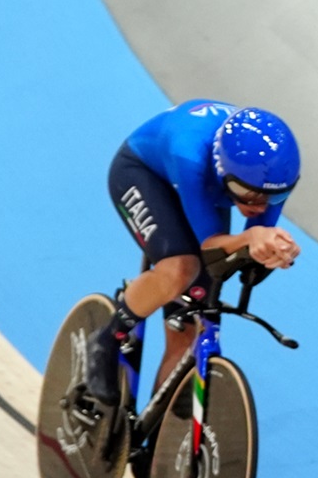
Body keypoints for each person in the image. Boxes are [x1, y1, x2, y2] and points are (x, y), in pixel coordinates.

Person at [87, 100, 303, 404]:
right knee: (180, 269)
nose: (259, 206)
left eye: (274, 197)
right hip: (145, 172)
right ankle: (106, 339)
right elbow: (211, 244)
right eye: (248, 195)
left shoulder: (270, 177)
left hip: (209, 189)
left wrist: (273, 252)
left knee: (191, 323)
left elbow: (247, 250)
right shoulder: (190, 155)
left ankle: (148, 442)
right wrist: (252, 235)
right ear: (222, 169)